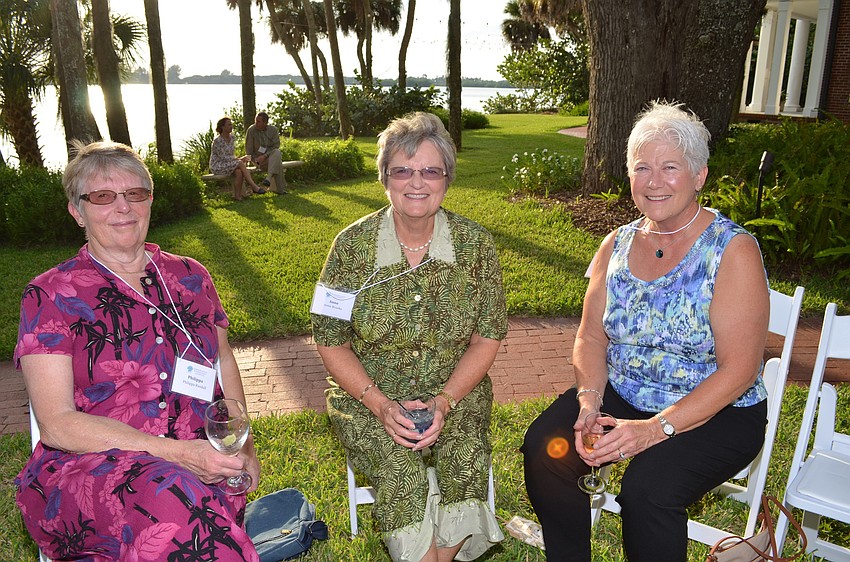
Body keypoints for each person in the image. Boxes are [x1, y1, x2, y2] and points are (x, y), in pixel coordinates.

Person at [521, 101, 770, 562]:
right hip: (626, 391)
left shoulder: (732, 251)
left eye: (670, 167)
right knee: (545, 449)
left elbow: (739, 371)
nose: (654, 181)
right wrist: (590, 400)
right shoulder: (616, 244)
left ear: (699, 176)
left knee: (647, 490)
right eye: (643, 168)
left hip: (719, 410)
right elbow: (592, 337)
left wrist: (654, 430)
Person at [14, 141, 261, 561]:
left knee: (182, 506)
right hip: (89, 467)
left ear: (150, 201)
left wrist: (244, 446)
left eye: (135, 194)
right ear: (77, 211)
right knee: (172, 498)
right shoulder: (51, 294)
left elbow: (222, 363)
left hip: (200, 457)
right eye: (103, 197)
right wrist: (176, 454)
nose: (123, 207)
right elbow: (56, 424)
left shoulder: (191, 276)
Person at [311, 112, 506, 562]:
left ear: (446, 179)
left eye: (430, 171)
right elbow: (329, 339)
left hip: (456, 389)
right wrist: (380, 404)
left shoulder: (476, 246)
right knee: (399, 469)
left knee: (464, 453)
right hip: (368, 394)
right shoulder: (349, 248)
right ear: (385, 178)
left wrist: (445, 401)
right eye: (402, 170)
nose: (416, 182)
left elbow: (487, 337)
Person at [210, 116, 265, 200]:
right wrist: (239, 159)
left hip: (229, 164)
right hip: (218, 165)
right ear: (222, 127)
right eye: (229, 125)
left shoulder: (232, 138)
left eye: (231, 124)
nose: (231, 126)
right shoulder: (217, 141)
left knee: (239, 171)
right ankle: (254, 186)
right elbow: (223, 157)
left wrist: (239, 159)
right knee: (240, 163)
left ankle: (237, 196)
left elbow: (230, 155)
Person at [245, 111, 285, 194]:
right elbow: (248, 150)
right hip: (257, 160)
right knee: (278, 162)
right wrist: (254, 159)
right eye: (255, 121)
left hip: (270, 157)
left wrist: (265, 156)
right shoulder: (251, 130)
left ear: (265, 123)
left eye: (258, 122)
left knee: (277, 152)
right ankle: (280, 190)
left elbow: (276, 145)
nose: (256, 123)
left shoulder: (273, 130)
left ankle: (268, 179)